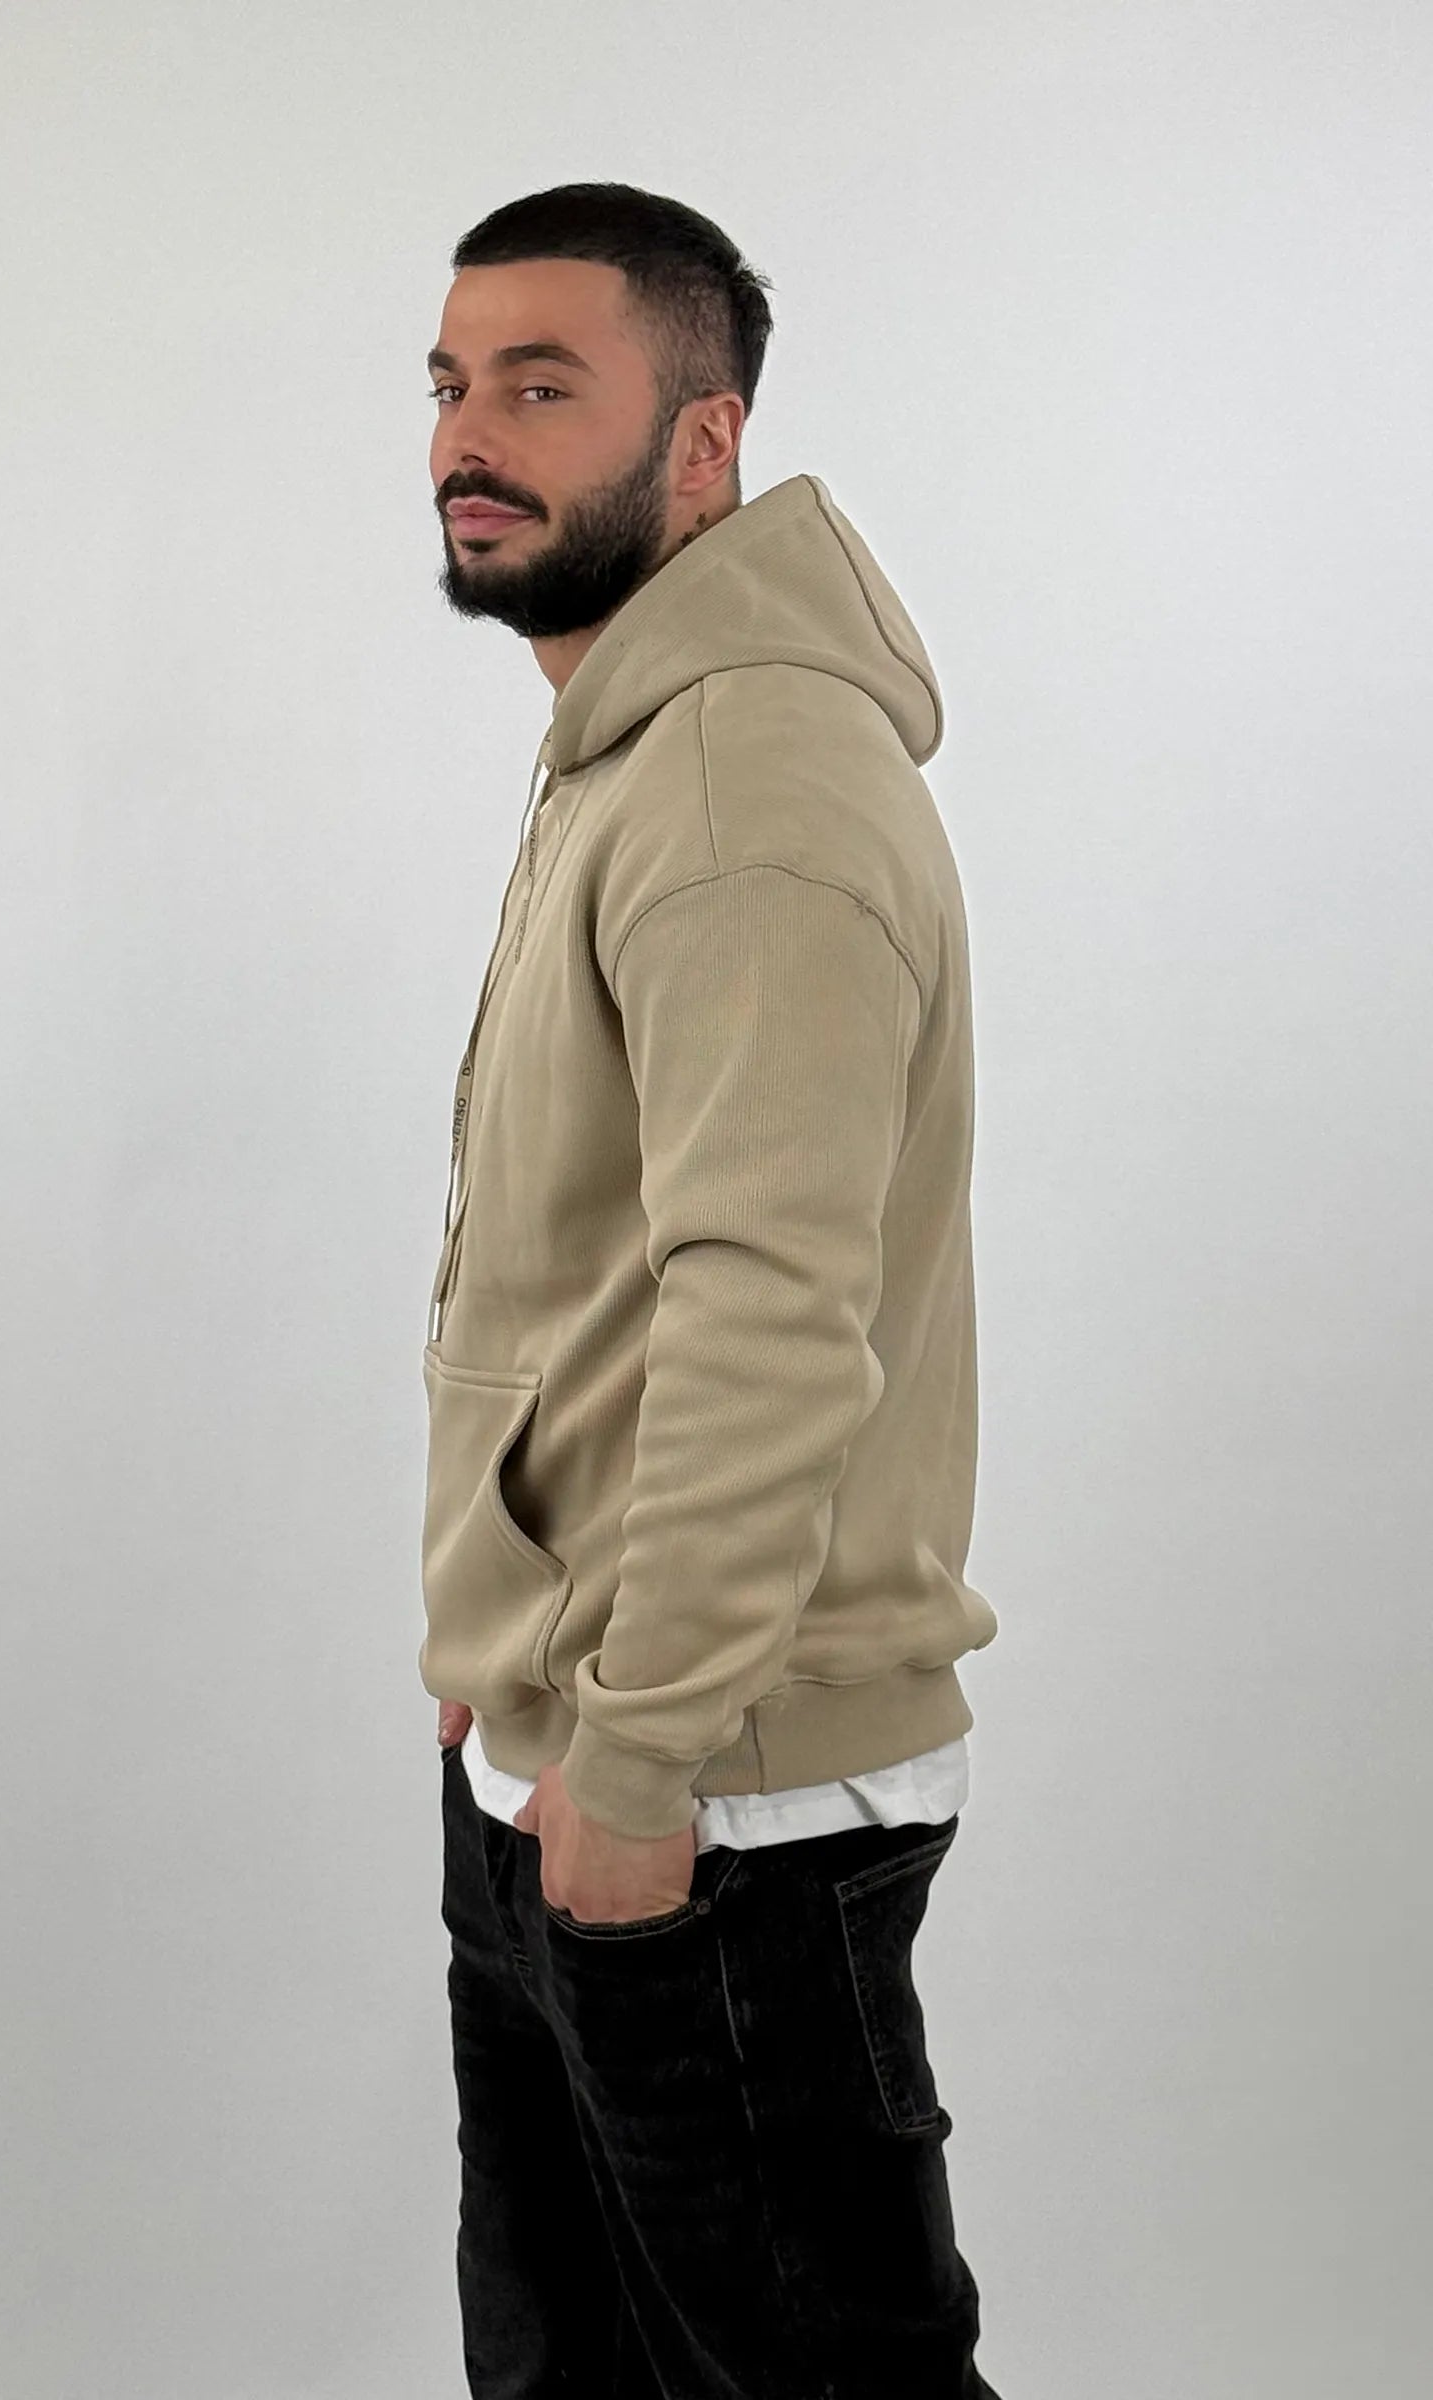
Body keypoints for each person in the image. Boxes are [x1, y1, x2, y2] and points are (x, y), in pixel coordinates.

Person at [417, 180, 1004, 2400]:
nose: (470, 438)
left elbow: (767, 1318)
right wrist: (505, 1639)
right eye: (451, 386)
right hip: (581, 1746)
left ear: (703, 442)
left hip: (714, 1803)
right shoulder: (636, 749)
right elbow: (579, 1277)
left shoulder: (747, 778)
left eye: (541, 386)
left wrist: (643, 1748)